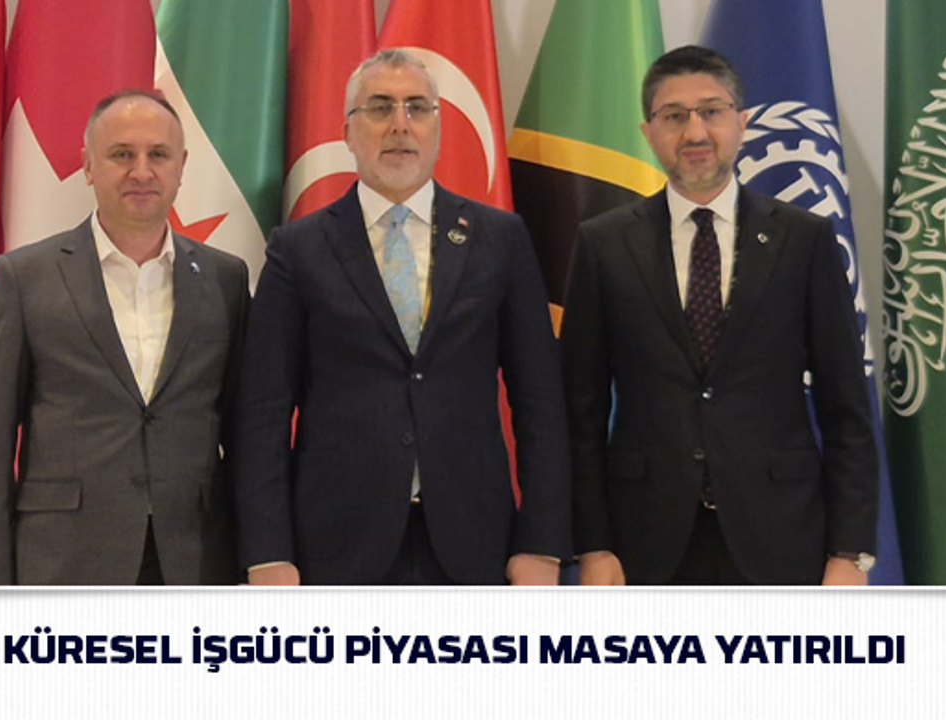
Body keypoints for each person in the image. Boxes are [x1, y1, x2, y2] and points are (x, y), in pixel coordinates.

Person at [235, 50, 569, 585]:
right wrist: (268, 553)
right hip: (334, 547)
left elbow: (541, 401)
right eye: (379, 108)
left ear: (437, 126)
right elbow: (263, 412)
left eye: (417, 107)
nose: (399, 124)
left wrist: (543, 544)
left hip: (475, 543)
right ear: (347, 132)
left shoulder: (499, 239)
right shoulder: (298, 249)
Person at [561, 46, 878, 586]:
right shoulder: (604, 244)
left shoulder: (804, 239)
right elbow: (580, 411)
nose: (695, 132)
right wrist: (593, 544)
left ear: (741, 122)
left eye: (711, 111)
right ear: (648, 132)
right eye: (674, 116)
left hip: (783, 536)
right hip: (644, 542)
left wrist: (850, 553)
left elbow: (846, 407)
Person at [0, 90, 249, 585]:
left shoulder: (226, 278)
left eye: (158, 154)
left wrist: (257, 558)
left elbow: (245, 432)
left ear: (182, 167)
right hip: (65, 562)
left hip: (196, 561)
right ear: (88, 166)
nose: (142, 171)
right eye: (121, 154)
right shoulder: (24, 279)